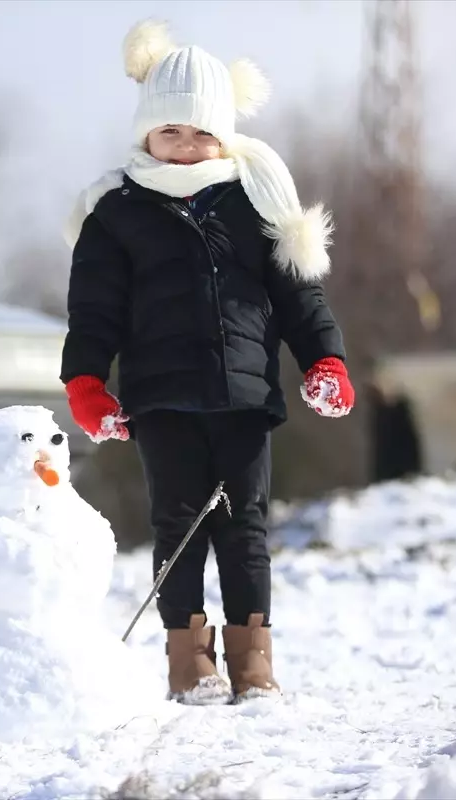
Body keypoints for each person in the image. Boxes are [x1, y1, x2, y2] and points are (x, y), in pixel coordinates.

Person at [59, 19, 353, 705]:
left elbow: (298, 294)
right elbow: (94, 310)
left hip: (246, 401)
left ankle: (254, 664)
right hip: (161, 402)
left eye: (200, 133)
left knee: (246, 528)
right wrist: (86, 383)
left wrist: (325, 362)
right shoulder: (116, 215)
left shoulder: (256, 202)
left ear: (223, 135)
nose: (186, 147)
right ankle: (189, 663)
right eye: (171, 132)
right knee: (179, 526)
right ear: (146, 134)